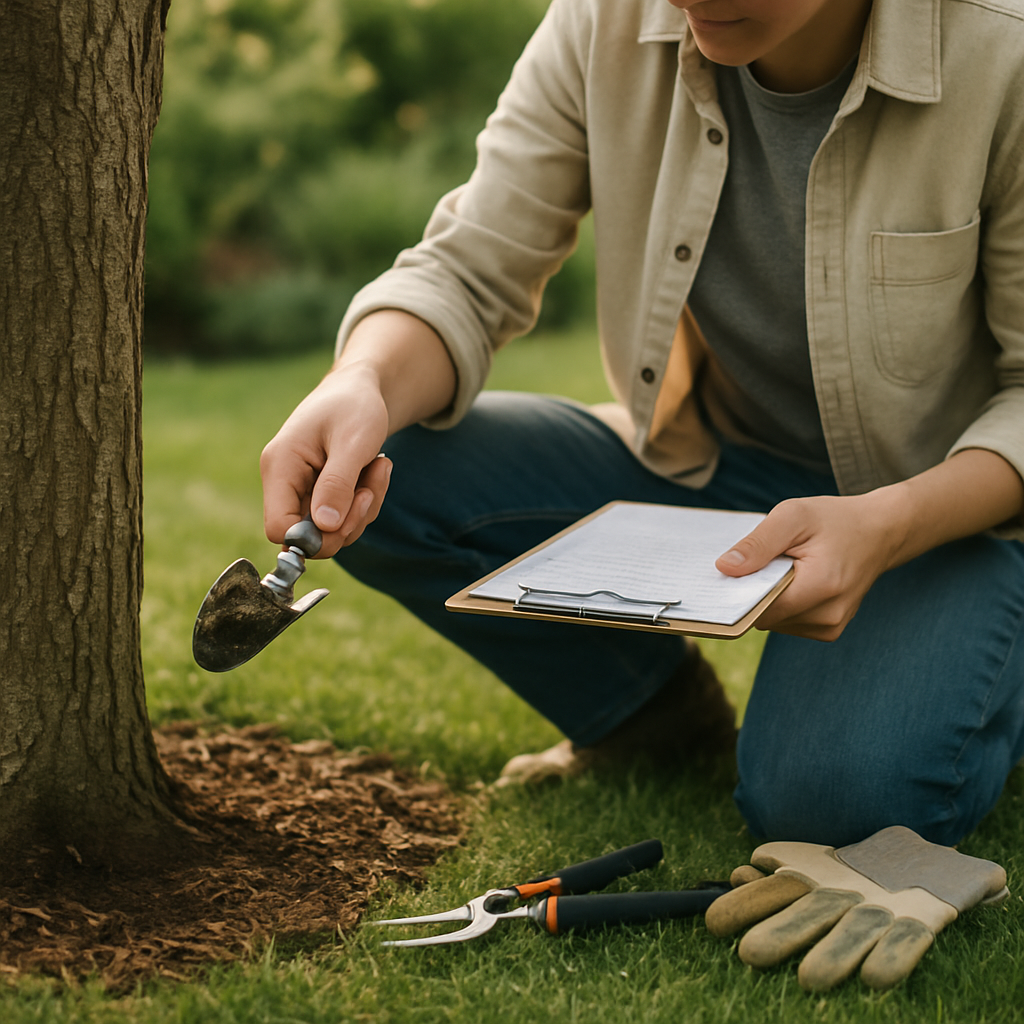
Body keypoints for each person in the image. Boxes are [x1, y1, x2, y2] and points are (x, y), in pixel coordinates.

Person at [259, 0, 1024, 847]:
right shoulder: (604, 20)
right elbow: (470, 268)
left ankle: (982, 657)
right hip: (712, 463)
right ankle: (653, 717)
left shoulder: (1005, 52)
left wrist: (889, 525)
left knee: (836, 807)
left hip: (945, 513)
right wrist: (362, 378)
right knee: (388, 465)